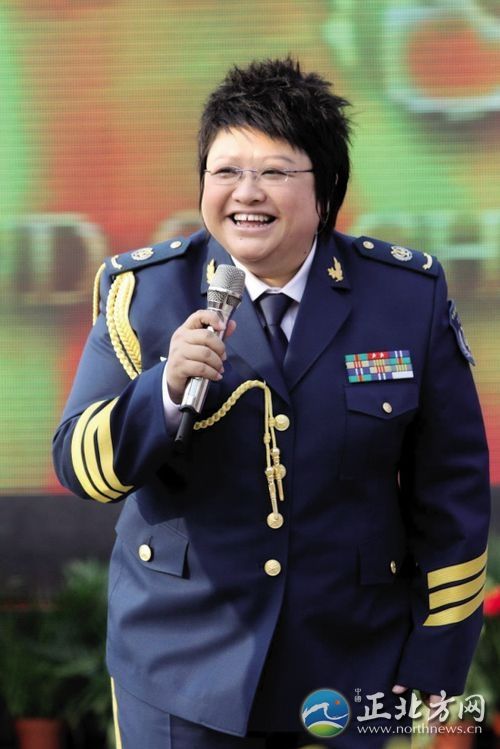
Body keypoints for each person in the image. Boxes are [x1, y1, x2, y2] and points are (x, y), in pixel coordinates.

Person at [52, 58, 490, 748]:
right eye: (225, 170)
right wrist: (165, 390)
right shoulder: (143, 293)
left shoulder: (406, 297)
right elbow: (82, 467)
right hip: (179, 670)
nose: (246, 193)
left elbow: (452, 494)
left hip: (349, 668)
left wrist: (436, 661)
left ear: (326, 187)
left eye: (275, 172)